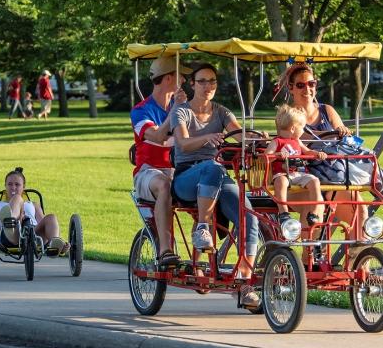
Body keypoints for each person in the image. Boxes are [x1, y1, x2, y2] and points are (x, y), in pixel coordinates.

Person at [171, 62, 260, 307]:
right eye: (202, 81)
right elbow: (183, 144)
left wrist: (256, 138)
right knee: (212, 166)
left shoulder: (221, 111)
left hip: (219, 175)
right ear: (192, 84)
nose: (208, 86)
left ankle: (245, 283)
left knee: (249, 216)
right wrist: (206, 138)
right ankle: (202, 227)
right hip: (186, 177)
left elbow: (239, 134)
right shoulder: (181, 111)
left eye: (212, 81)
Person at [275, 63, 368, 239]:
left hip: (332, 174)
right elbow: (290, 140)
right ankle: (308, 262)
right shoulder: (287, 115)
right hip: (301, 176)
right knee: (314, 212)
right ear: (291, 88)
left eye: (312, 84)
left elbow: (342, 138)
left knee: (360, 212)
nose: (307, 89)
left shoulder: (327, 110)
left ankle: (359, 262)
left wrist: (342, 132)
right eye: (301, 85)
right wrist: (325, 135)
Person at [131, 56, 191, 268]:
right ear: (168, 79)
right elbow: (157, 137)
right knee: (164, 184)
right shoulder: (141, 110)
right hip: (149, 172)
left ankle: (203, 255)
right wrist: (175, 112)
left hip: (178, 170)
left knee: (208, 184)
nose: (183, 81)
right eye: (180, 76)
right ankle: (165, 250)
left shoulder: (183, 107)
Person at [0, 167, 68, 256]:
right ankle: (11, 221)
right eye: (9, 184)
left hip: (34, 234)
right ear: (5, 186)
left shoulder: (33, 204)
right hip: (12, 235)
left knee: (51, 217)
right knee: (17, 198)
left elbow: (43, 224)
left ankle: (56, 244)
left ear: (23, 187)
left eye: (17, 184)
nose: (13, 187)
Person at [264, 105, 327, 233]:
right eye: (302, 127)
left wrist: (316, 154)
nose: (304, 130)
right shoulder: (277, 142)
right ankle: (283, 213)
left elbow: (307, 151)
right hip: (283, 173)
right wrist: (276, 155)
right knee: (281, 182)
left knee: (314, 181)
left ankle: (314, 212)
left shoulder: (297, 141)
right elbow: (266, 157)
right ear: (293, 128)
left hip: (299, 173)